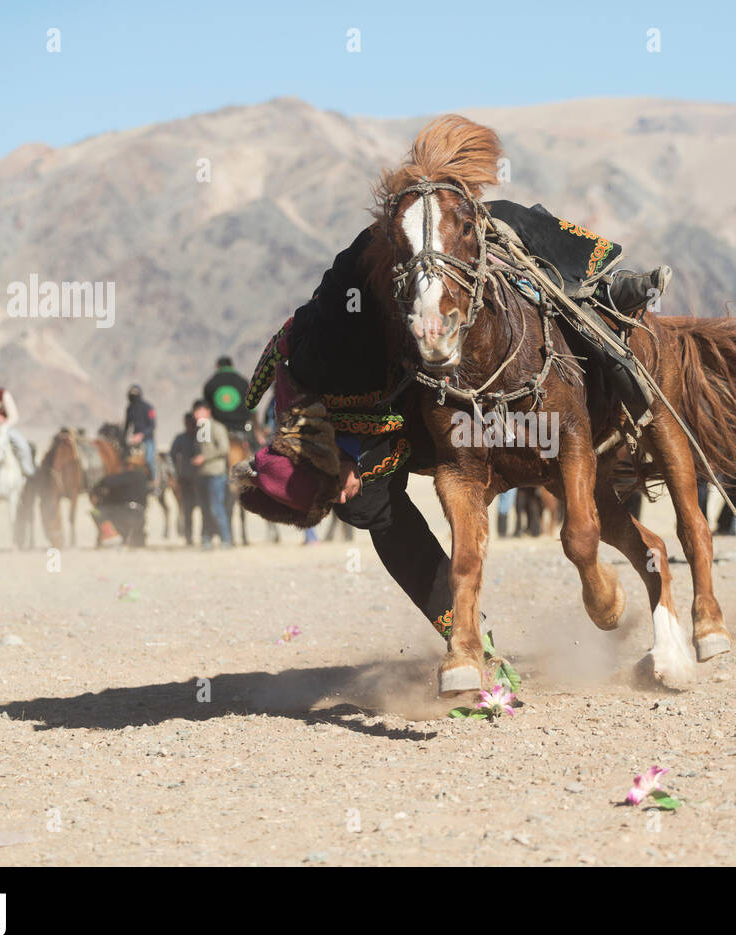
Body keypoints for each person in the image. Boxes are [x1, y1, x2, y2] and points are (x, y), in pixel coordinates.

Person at [237, 116, 671, 641]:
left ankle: (603, 292)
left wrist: (341, 451)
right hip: (392, 402)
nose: (345, 493)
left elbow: (309, 364)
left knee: (505, 217)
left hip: (378, 366)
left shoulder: (331, 336)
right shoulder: (360, 493)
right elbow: (362, 483)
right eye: (336, 492)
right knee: (381, 515)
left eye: (333, 484)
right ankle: (467, 632)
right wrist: (352, 462)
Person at [191, 400, 232, 549]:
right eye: (195, 412)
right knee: (205, 509)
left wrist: (204, 458)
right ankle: (207, 540)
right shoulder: (201, 429)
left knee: (216, 508)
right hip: (202, 474)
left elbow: (224, 448)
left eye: (199, 411)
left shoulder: (217, 427)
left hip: (216, 474)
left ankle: (226, 539)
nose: (196, 415)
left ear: (207, 412)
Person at [89, 466, 150, 548]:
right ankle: (128, 538)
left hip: (126, 514)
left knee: (96, 512)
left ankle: (110, 536)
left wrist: (98, 485)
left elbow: (108, 481)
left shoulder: (124, 476)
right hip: (140, 516)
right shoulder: (142, 477)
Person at [169, 412, 200, 546]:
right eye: (187, 423)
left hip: (200, 480)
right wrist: (175, 473)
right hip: (186, 480)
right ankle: (188, 537)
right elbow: (171, 456)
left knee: (205, 509)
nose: (189, 426)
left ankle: (207, 535)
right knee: (187, 511)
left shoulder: (201, 437)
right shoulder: (180, 438)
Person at [203, 356, 252, 439]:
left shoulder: (210, 384)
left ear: (217, 366)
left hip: (219, 429)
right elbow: (252, 407)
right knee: (259, 448)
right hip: (242, 428)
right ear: (231, 365)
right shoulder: (243, 382)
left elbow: (206, 409)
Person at [123, 385, 157, 479]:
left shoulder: (148, 407)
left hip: (148, 440)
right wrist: (124, 440)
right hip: (134, 441)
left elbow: (152, 426)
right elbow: (127, 426)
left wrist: (141, 435)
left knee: (149, 460)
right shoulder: (129, 409)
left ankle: (154, 481)